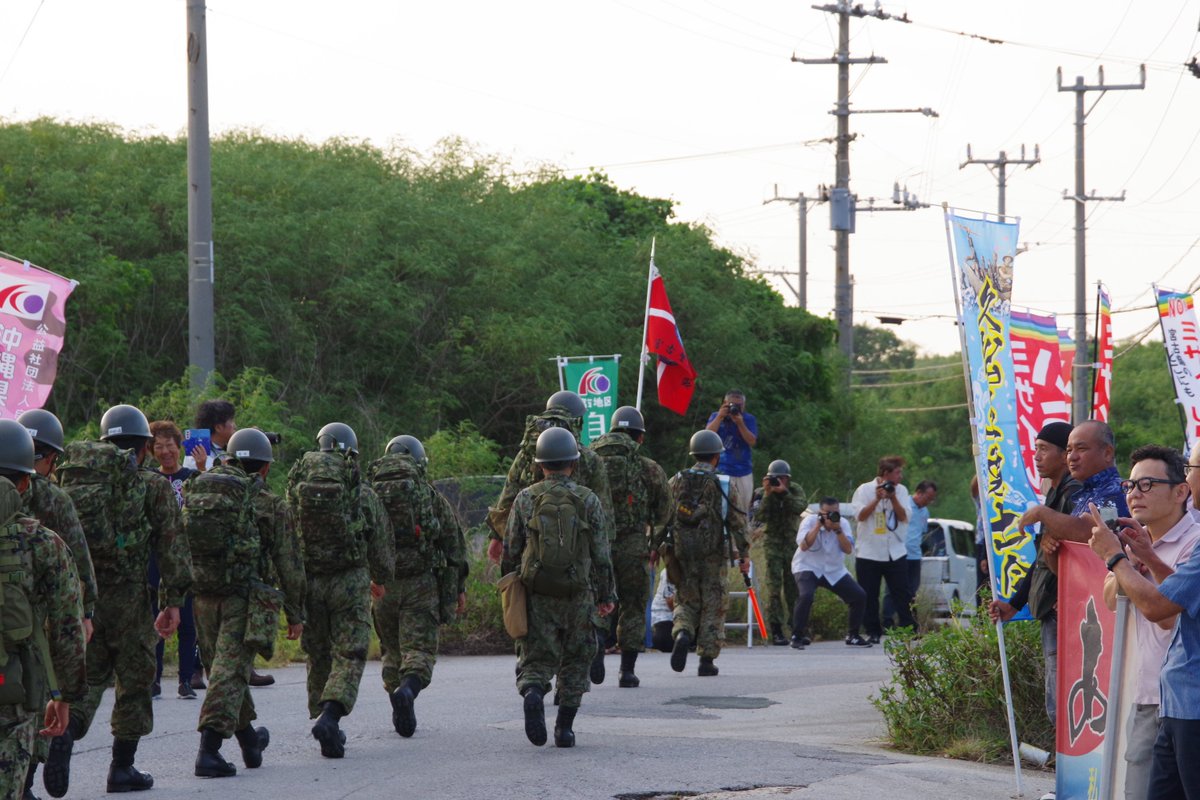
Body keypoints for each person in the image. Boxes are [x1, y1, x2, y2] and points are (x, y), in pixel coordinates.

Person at [45, 404, 193, 796]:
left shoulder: (73, 483)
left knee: (88, 677)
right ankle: (122, 768)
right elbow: (171, 546)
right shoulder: (151, 486)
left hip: (81, 599)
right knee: (136, 680)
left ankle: (67, 730)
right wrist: (172, 601)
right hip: (129, 597)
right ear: (144, 447)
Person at [186, 428, 306, 778]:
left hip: (203, 594)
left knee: (224, 672)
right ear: (265, 468)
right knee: (230, 672)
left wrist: (171, 598)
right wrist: (296, 612)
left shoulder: (203, 488)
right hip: (244, 596)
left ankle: (250, 740)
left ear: (231, 459)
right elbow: (289, 562)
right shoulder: (270, 504)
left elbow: (178, 543)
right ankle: (209, 751)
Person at [1086, 457, 1200, 799]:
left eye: (1147, 484)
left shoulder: (1194, 539)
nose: (1135, 493)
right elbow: (1112, 598)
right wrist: (1142, 559)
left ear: (1180, 490)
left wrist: (1115, 558)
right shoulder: (1140, 539)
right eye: (1130, 485)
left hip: (1189, 701)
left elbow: (1162, 611)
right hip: (1167, 696)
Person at [487, 391, 613, 685]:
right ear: (577, 420)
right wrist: (605, 559)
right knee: (579, 606)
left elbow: (508, 495)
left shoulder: (527, 452)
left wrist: (497, 536)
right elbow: (604, 513)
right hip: (576, 553)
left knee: (527, 602)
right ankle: (579, 664)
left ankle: (528, 661)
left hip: (531, 549)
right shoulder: (589, 459)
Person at [287, 422, 393, 759]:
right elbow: (380, 544)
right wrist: (381, 577)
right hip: (349, 581)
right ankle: (330, 717)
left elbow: (286, 539)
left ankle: (321, 717)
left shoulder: (297, 491)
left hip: (309, 580)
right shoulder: (360, 492)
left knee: (317, 653)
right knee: (349, 652)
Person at [503, 426, 614, 748]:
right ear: (573, 463)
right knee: (577, 659)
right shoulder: (588, 499)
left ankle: (534, 693)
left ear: (540, 464)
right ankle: (564, 728)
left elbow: (511, 548)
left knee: (536, 658)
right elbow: (602, 553)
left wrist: (513, 589)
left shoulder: (526, 499)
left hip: (537, 592)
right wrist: (606, 595)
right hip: (579, 593)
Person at [0, 420, 87, 800]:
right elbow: (68, 629)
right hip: (11, 689)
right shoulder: (42, 543)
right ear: (24, 483)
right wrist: (64, 695)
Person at [367, 434, 468, 739]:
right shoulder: (429, 496)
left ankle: (396, 697)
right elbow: (453, 545)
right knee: (419, 649)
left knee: (391, 650)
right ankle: (408, 691)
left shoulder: (370, 494)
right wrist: (457, 588)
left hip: (382, 586)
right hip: (422, 584)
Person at [989, 421, 1079, 729]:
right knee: (1056, 701)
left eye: (1044, 449)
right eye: (1035, 449)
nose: (1037, 456)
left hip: (1067, 612)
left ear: (1064, 453)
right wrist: (1013, 603)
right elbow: (1042, 558)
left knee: (1064, 706)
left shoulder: (1073, 493)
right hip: (1049, 612)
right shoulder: (1054, 494)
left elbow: (1082, 552)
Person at [589, 406, 672, 688]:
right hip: (633, 544)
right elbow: (664, 513)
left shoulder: (588, 460)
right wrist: (654, 543)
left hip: (594, 544)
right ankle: (627, 671)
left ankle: (598, 644)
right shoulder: (649, 468)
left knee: (597, 599)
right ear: (640, 438)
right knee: (633, 605)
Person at [658, 430, 750, 677]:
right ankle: (706, 661)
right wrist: (744, 554)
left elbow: (663, 516)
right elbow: (738, 523)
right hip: (713, 556)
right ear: (716, 457)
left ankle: (683, 633)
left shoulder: (675, 480)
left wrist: (656, 548)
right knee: (713, 604)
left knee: (686, 600)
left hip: (682, 554)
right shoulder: (724, 484)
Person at [1021, 420, 1129, 570]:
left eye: (1081, 448)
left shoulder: (1119, 491)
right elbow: (1065, 570)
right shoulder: (1083, 495)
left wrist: (1041, 513)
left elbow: (1090, 532)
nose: (1072, 457)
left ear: (1107, 453)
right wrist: (1050, 548)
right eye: (1069, 450)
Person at [147, 420, 201, 700]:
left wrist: (204, 468)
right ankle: (153, 679)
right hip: (154, 555)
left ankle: (185, 680)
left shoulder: (192, 477)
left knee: (187, 619)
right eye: (158, 446)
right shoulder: (149, 478)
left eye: (169, 446)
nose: (165, 451)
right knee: (155, 615)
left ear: (179, 448)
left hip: (183, 556)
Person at [791, 497, 871, 647]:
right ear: (820, 513)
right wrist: (818, 526)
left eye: (836, 512)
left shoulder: (843, 524)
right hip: (808, 566)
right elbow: (803, 546)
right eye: (828, 513)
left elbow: (848, 550)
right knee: (806, 595)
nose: (833, 516)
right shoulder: (809, 521)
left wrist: (837, 530)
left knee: (859, 596)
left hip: (834, 570)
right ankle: (797, 635)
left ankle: (852, 635)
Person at [851, 455, 914, 643]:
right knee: (869, 594)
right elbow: (860, 516)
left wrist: (893, 497)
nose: (900, 476)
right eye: (897, 472)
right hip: (869, 551)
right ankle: (873, 631)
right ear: (886, 474)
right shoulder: (864, 490)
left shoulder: (901, 491)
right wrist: (876, 499)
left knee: (902, 592)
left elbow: (904, 517)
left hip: (895, 549)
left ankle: (907, 628)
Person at [750, 459, 806, 645]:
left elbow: (800, 506)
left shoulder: (795, 489)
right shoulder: (761, 493)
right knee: (774, 588)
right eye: (776, 479)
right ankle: (776, 630)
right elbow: (759, 516)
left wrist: (785, 493)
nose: (779, 482)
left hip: (791, 544)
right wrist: (768, 494)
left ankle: (797, 628)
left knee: (794, 588)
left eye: (783, 479)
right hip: (772, 544)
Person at [882, 480, 938, 628]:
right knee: (892, 589)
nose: (929, 502)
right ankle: (887, 621)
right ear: (919, 492)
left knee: (912, 590)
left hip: (915, 555)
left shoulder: (925, 512)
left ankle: (907, 623)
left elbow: (922, 532)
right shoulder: (904, 505)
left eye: (932, 500)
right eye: (927, 498)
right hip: (899, 553)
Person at [704, 390, 757, 517]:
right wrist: (720, 417)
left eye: (739, 406)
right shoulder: (716, 416)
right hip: (720, 468)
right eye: (733, 405)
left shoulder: (748, 419)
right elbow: (707, 435)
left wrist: (740, 423)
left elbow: (752, 441)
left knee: (742, 510)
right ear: (725, 403)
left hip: (743, 471)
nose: (736, 408)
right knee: (719, 508)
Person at [190, 399, 236, 472]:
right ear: (218, 427)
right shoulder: (196, 453)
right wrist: (202, 468)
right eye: (231, 421)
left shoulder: (231, 449)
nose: (234, 426)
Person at [649, 569, 676, 652]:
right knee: (667, 643)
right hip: (665, 616)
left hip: (687, 615)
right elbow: (670, 602)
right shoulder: (670, 571)